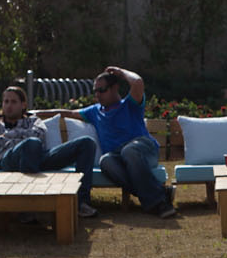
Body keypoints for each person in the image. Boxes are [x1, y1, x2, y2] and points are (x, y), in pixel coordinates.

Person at [44, 65, 176, 218]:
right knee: (105, 161)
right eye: (95, 91)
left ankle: (159, 204)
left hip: (143, 150)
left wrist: (121, 72)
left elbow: (138, 82)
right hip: (117, 157)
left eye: (102, 90)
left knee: (129, 151)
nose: (97, 95)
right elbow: (69, 113)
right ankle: (160, 193)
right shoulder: (94, 111)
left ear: (115, 88)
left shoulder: (130, 105)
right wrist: (36, 112)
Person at [0, 83, 99, 218]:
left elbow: (39, 134)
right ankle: (29, 208)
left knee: (87, 143)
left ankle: (81, 203)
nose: (8, 105)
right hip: (8, 159)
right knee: (31, 143)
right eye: (6, 101)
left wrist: (9, 136)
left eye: (13, 102)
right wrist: (23, 141)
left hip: (38, 157)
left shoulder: (33, 121)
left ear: (23, 105)